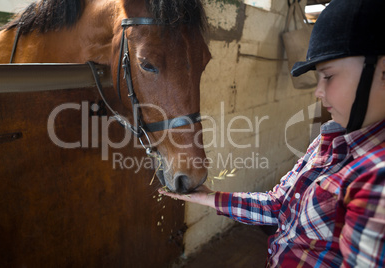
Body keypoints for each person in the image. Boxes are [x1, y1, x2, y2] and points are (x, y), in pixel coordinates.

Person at [159, 0, 385, 267]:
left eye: (329, 76)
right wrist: (208, 197)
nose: (318, 91)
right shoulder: (329, 141)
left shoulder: (376, 178)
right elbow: (278, 205)